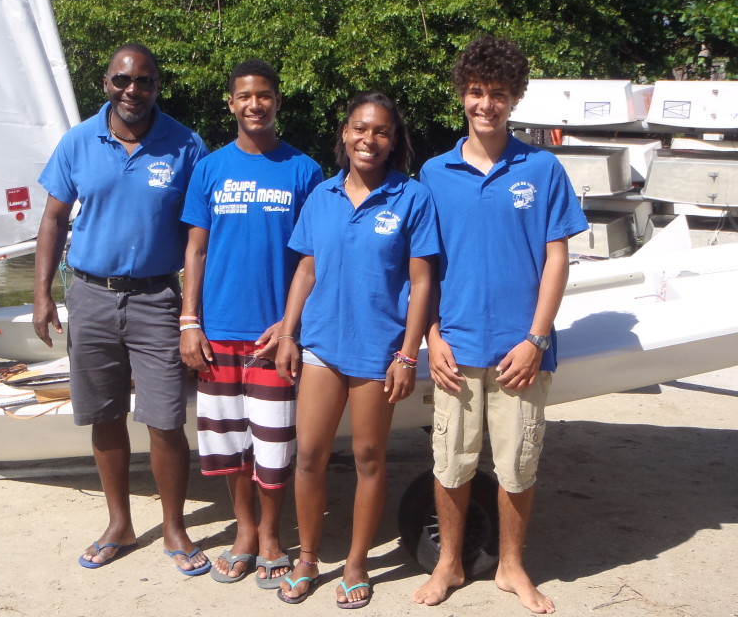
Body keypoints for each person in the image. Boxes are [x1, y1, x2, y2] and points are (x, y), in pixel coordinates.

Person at [411, 36, 588, 613]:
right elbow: (424, 267)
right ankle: (450, 563)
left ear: (514, 100)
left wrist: (536, 339)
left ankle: (512, 566)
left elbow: (557, 257)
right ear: (463, 94)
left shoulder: (542, 169)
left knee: (517, 466)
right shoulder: (434, 173)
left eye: (499, 94)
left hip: (521, 351)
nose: (486, 104)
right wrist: (432, 338)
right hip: (455, 349)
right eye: (476, 92)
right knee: (451, 463)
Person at [33, 43, 212, 576]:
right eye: (122, 80)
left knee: (164, 418)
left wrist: (194, 313)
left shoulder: (186, 145)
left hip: (157, 296)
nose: (133, 90)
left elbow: (199, 235)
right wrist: (42, 294)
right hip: (88, 293)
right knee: (104, 413)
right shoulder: (78, 141)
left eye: (145, 81)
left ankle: (175, 528)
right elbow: (53, 221)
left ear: (158, 85)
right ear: (105, 82)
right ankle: (120, 524)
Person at [275, 91, 438, 608]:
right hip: (322, 345)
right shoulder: (321, 195)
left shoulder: (411, 197)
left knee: (369, 457)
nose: (370, 140)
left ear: (394, 141)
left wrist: (408, 354)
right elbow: (306, 268)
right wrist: (287, 332)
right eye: (360, 129)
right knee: (309, 457)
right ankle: (307, 559)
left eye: (382, 131)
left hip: (379, 351)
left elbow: (422, 281)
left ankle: (356, 563)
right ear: (344, 133)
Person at [180, 59, 323, 588]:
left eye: (264, 95)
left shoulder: (304, 171)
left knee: (272, 442)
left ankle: (270, 533)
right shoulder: (210, 168)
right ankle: (242, 531)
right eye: (245, 96)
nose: (254, 104)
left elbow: (313, 259)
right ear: (231, 103)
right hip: (216, 330)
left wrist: (290, 325)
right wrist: (189, 322)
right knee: (228, 442)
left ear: (278, 101)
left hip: (274, 336)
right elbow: (195, 250)